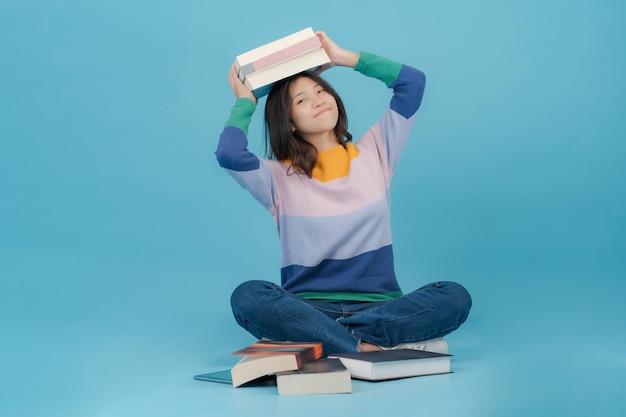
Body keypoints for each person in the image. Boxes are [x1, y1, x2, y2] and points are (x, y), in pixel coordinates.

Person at [216, 31, 471, 355]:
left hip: (379, 310)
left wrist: (343, 58)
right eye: (302, 100)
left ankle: (330, 340)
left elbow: (413, 84)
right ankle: (364, 347)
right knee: (248, 296)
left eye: (321, 90)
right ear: (290, 122)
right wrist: (245, 101)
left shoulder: (375, 153)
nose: (318, 99)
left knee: (455, 295)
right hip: (309, 310)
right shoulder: (278, 178)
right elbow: (229, 155)